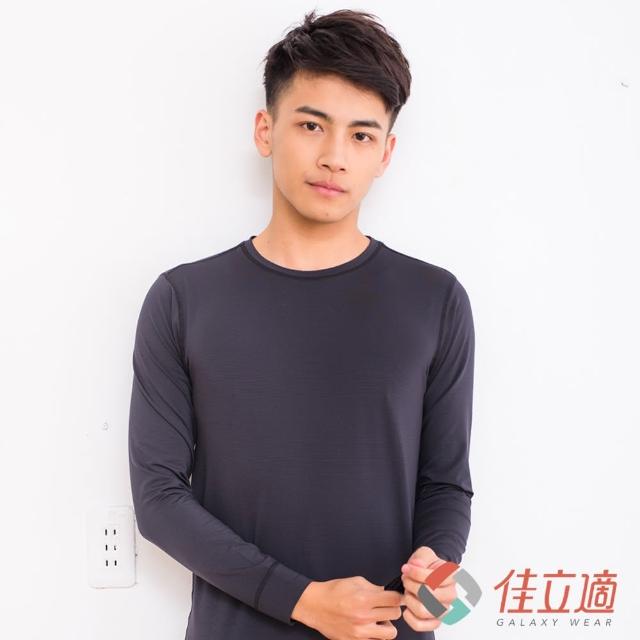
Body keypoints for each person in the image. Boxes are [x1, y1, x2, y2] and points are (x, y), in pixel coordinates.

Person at [128, 8, 475, 640]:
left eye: (361, 136)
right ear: (266, 130)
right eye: (312, 125)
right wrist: (303, 600)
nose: (334, 157)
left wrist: (438, 567)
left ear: (386, 153)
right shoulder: (183, 299)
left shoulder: (435, 300)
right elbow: (158, 499)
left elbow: (445, 483)